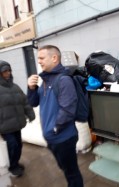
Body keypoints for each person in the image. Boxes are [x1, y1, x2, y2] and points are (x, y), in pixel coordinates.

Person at [27, 45, 83, 187]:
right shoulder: (45, 81)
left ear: (54, 58)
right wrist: (31, 88)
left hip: (63, 138)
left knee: (72, 173)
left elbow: (68, 110)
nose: (38, 61)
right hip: (52, 139)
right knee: (64, 168)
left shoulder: (64, 80)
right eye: (38, 58)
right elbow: (33, 103)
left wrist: (55, 128)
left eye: (41, 57)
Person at [0, 60, 35, 177]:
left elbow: (24, 102)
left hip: (17, 124)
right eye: (5, 71)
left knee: (18, 145)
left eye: (9, 70)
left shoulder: (15, 87)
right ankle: (13, 167)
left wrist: (30, 114)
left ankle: (15, 163)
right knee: (12, 145)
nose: (8, 73)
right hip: (4, 125)